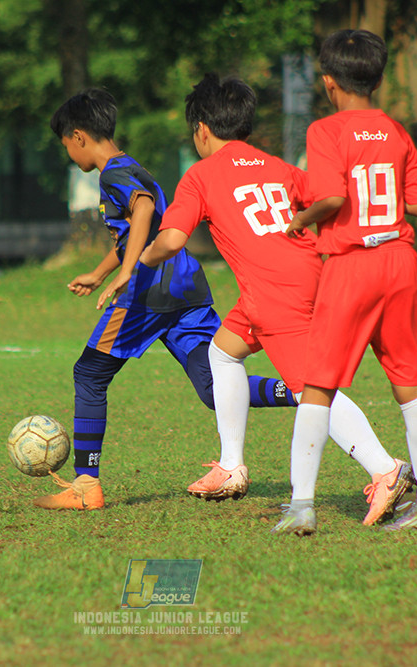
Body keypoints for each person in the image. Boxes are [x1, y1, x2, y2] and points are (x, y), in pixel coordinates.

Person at [139, 73, 413, 530]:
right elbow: (331, 201)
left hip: (276, 295)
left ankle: (386, 469)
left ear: (201, 129)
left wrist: (138, 263)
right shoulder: (278, 167)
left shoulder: (201, 175)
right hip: (301, 280)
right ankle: (231, 467)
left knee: (313, 391)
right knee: (223, 352)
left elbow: (170, 240)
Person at [34, 89, 301, 511]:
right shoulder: (132, 167)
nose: (67, 151)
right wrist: (101, 271)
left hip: (147, 294)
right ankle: (303, 394)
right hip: (185, 289)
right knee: (216, 387)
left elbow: (142, 212)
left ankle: (86, 484)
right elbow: (138, 229)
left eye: (65, 143)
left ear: (79, 136)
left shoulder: (113, 174)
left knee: (88, 375)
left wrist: (125, 274)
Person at [282, 29, 417, 534]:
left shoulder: (326, 130)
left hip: (352, 264)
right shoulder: (397, 131)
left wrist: (300, 219)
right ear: (377, 79)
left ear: (329, 82)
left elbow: (332, 198)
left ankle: (301, 507)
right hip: (400, 259)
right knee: (411, 384)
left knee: (317, 386)